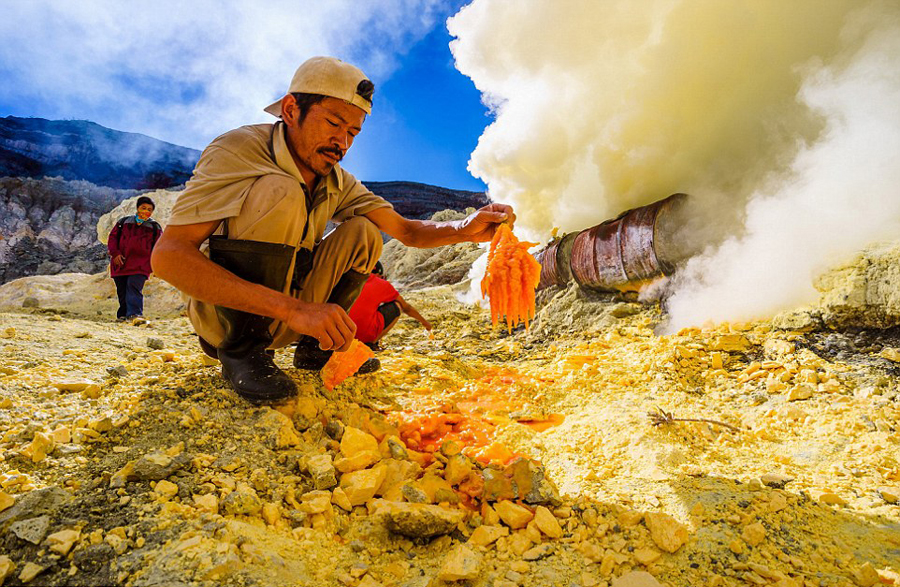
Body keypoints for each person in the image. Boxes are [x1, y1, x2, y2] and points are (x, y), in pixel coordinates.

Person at [151, 56, 514, 405]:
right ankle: (243, 351)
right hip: (224, 318)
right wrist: (292, 309)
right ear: (291, 110)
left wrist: (466, 228)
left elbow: (408, 232)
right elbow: (169, 256)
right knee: (281, 190)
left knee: (365, 232)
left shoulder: (337, 180)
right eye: (333, 123)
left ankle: (317, 347)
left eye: (353, 132)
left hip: (293, 318)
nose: (342, 142)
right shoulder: (239, 150)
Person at [348, 262, 432, 350]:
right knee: (397, 306)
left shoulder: (347, 279)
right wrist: (425, 322)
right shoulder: (381, 284)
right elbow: (406, 307)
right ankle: (371, 343)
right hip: (363, 337)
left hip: (343, 335)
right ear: (378, 274)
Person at [108, 195, 162, 323]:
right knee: (122, 290)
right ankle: (123, 315)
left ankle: (135, 314)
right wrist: (115, 254)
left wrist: (154, 264)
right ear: (137, 208)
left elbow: (159, 246)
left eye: (149, 209)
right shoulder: (124, 222)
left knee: (133, 287)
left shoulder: (155, 227)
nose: (146, 211)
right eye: (143, 208)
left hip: (141, 264)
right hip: (121, 262)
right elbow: (113, 238)